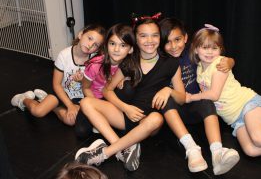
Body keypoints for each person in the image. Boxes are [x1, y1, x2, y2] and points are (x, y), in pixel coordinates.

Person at [76, 13, 209, 173]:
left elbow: (181, 98)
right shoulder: (129, 62)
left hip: (147, 123)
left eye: (154, 35)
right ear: (136, 39)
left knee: (156, 118)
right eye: (143, 36)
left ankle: (106, 153)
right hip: (125, 115)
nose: (149, 40)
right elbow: (107, 90)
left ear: (160, 38)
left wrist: (169, 90)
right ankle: (123, 147)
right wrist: (125, 108)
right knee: (85, 103)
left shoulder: (171, 63)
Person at [187, 24, 261, 157]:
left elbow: (214, 95)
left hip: (248, 104)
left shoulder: (219, 64)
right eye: (205, 47)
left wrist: (191, 97)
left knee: (259, 138)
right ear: (195, 49)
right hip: (236, 120)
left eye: (214, 48)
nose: (210, 52)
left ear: (220, 50)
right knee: (251, 150)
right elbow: (206, 96)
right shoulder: (200, 69)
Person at [75, 23, 164, 172]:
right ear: (106, 45)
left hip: (120, 108)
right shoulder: (96, 64)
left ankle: (115, 145)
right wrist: (98, 109)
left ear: (130, 49)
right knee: (82, 131)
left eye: (122, 45)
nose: (116, 49)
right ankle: (122, 147)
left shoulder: (130, 64)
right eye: (112, 44)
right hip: (98, 100)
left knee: (127, 89)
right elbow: (85, 87)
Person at [159, 17, 239, 175]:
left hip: (196, 106)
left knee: (207, 100)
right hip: (174, 113)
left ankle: (217, 153)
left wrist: (230, 62)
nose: (174, 46)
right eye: (167, 42)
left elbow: (218, 56)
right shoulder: (160, 61)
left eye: (177, 39)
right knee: (167, 100)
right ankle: (191, 149)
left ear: (186, 38)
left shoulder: (193, 53)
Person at [11, 23, 106, 138]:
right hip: (62, 92)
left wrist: (83, 81)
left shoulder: (96, 60)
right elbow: (56, 85)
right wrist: (70, 105)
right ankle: (23, 99)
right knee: (38, 112)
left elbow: (95, 84)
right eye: (89, 38)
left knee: (71, 121)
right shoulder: (64, 55)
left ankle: (52, 105)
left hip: (82, 96)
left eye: (96, 44)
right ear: (81, 34)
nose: (90, 45)